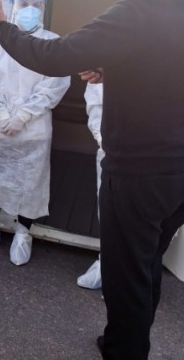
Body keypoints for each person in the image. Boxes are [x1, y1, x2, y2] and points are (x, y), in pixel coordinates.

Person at [0, 0, 184, 359]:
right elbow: (172, 67)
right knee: (146, 266)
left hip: (141, 176)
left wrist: (2, 29)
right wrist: (112, 69)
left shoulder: (138, 9)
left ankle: (124, 350)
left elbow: (55, 56)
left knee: (126, 276)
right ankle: (124, 338)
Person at [0, 0, 70, 266]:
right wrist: (3, 113)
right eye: (24, 3)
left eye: (36, 5)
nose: (29, 10)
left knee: (31, 184)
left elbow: (56, 83)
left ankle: (23, 234)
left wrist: (23, 115)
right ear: (13, 7)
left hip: (33, 130)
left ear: (43, 9)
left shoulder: (52, 42)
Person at [77, 82, 104, 289]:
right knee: (109, 211)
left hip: (157, 154)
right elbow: (95, 102)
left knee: (145, 219)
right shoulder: (108, 63)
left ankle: (131, 281)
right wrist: (104, 139)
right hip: (112, 151)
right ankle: (108, 266)